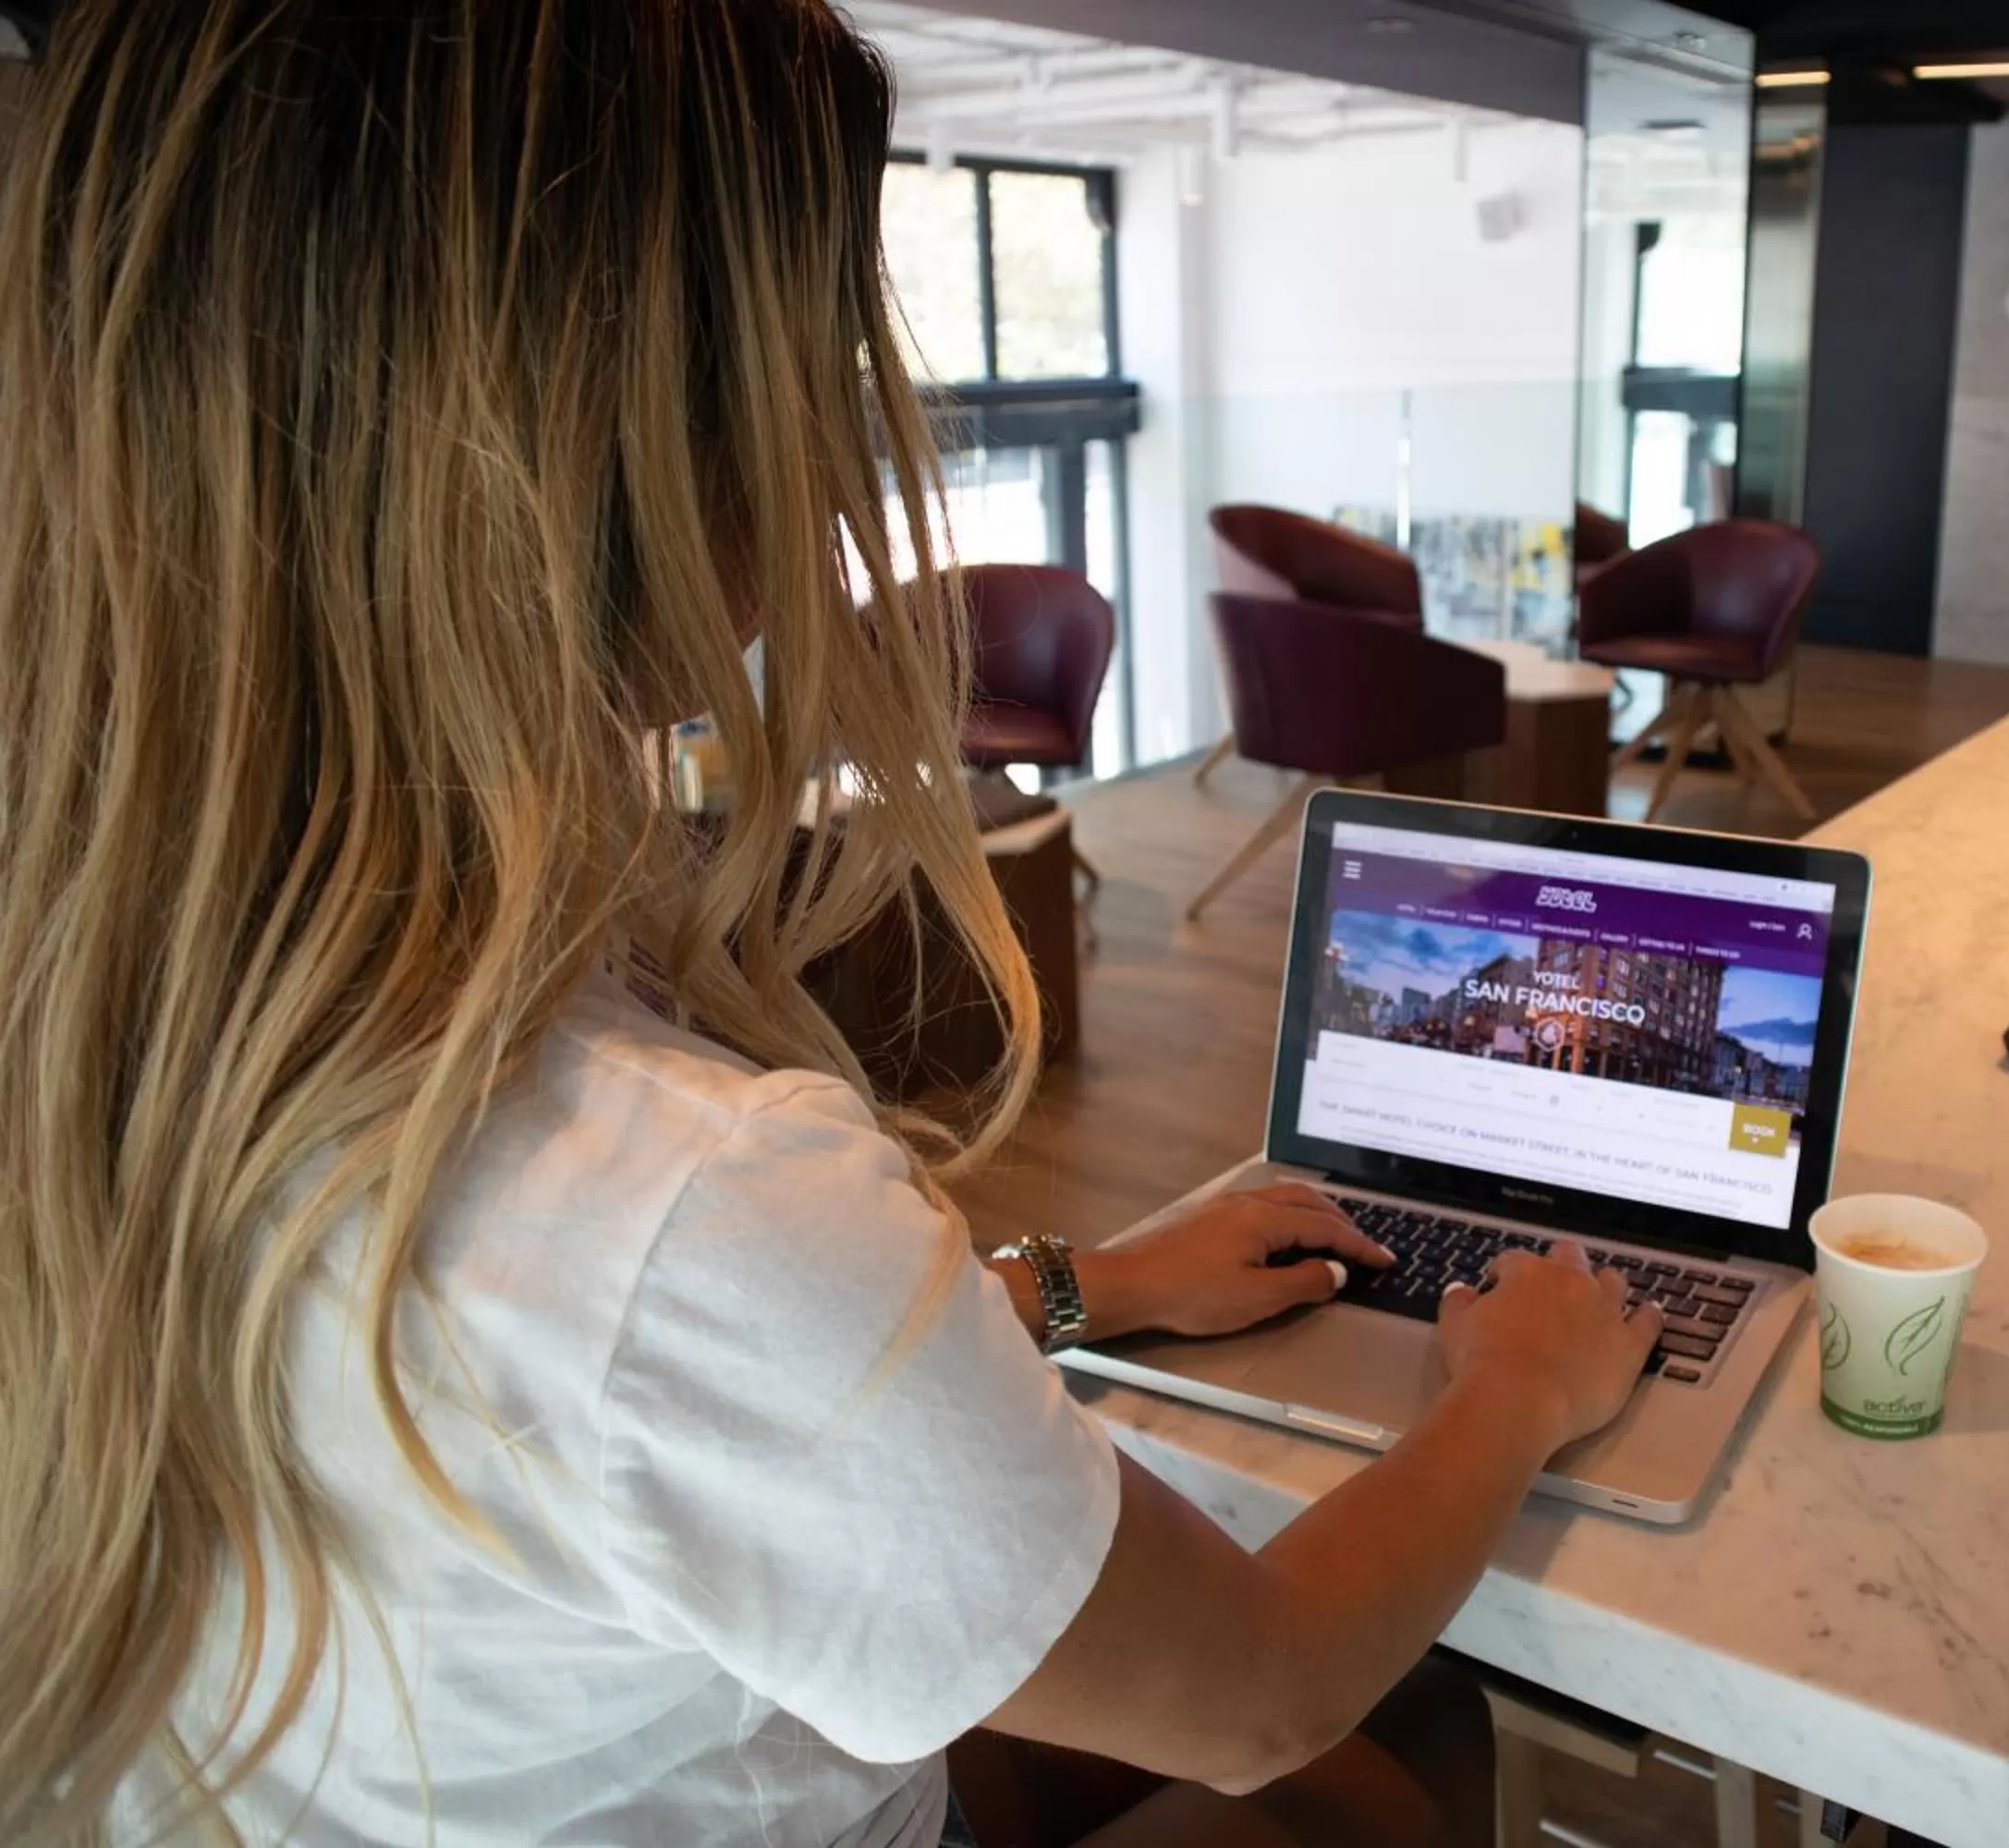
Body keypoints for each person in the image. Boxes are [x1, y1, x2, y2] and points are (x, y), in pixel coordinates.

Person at [0, 4, 1657, 1845]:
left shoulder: (95, 1006)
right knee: (1403, 1726)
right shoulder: (671, 1193)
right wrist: (1515, 1388)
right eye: (817, 376)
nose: (853, 473)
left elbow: (647, 1458)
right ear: (643, 458)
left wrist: (1066, 1290)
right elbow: (1260, 1687)